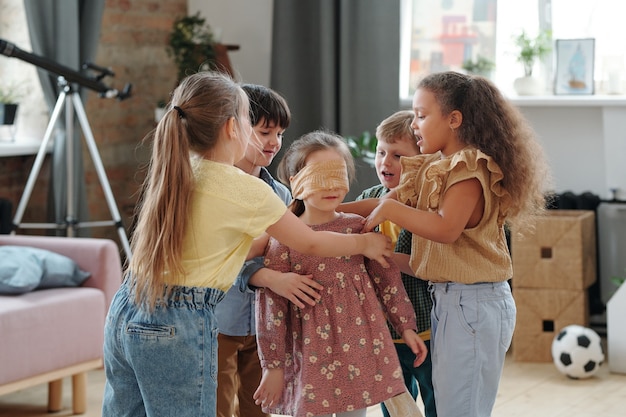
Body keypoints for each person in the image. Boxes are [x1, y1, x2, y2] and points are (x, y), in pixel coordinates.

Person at [101, 71, 394, 417]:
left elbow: (239, 247)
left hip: (126, 306)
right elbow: (311, 242)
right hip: (179, 320)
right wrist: (363, 243)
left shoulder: (178, 170)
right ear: (231, 128)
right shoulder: (245, 189)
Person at [341, 71, 551, 417]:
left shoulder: (468, 170)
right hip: (453, 301)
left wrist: (391, 209)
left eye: (421, 116)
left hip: (474, 304)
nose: (415, 125)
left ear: (454, 120)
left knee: (460, 410)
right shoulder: (435, 167)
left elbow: (446, 228)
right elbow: (385, 199)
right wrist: (328, 211)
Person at [252, 130, 428, 417]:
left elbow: (388, 281)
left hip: (358, 347)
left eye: (339, 174)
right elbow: (272, 308)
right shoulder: (283, 240)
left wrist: (405, 326)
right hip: (308, 354)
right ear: (296, 182)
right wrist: (272, 366)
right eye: (320, 176)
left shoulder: (359, 227)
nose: (331, 185)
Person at [215, 83, 295, 417]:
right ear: (236, 128)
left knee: (259, 406)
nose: (274, 143)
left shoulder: (282, 194)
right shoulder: (216, 188)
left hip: (265, 325)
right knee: (214, 402)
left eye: (279, 133)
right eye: (265, 132)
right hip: (220, 318)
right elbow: (222, 255)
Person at [355, 110, 436, 417]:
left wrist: (380, 254)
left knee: (435, 398)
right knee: (394, 403)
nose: (385, 163)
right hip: (383, 330)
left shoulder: (426, 207)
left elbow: (424, 265)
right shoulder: (369, 198)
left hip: (426, 326)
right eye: (381, 152)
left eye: (398, 156)